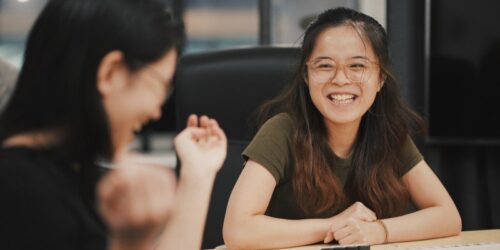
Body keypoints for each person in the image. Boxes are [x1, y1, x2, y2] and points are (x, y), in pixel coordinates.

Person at [223, 7, 461, 249]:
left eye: (357, 66)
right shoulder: (282, 131)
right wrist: (335, 225)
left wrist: (379, 231)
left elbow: (448, 216)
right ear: (306, 75)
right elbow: (238, 230)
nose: (340, 79)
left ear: (381, 78)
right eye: (325, 66)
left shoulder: (388, 134)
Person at [0, 0, 227, 249]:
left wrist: (198, 175)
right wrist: (131, 241)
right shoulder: (24, 196)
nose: (156, 111)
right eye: (160, 86)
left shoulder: (69, 174)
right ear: (110, 73)